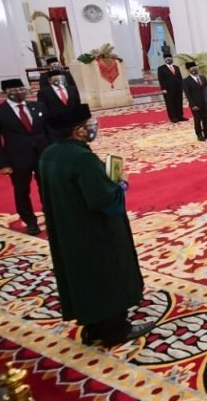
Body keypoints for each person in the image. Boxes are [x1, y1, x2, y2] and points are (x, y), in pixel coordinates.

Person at [38, 104, 155, 347]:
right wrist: (121, 184)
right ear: (78, 130)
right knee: (107, 274)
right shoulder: (83, 158)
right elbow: (103, 200)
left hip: (68, 228)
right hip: (95, 231)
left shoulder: (49, 153)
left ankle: (93, 329)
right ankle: (116, 330)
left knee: (84, 277)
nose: (93, 129)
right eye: (89, 125)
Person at [0, 78, 49, 235]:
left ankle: (50, 214)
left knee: (47, 187)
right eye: (13, 90)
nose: (18, 92)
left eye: (21, 89)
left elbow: (49, 130)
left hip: (42, 154)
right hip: (17, 158)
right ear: (4, 93)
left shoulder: (38, 106)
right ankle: (30, 221)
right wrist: (1, 164)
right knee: (22, 191)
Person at [182, 61, 207, 141]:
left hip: (205, 102)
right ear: (189, 70)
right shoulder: (186, 81)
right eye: (191, 68)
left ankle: (206, 133)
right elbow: (188, 94)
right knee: (198, 120)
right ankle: (199, 135)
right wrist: (193, 105)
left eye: (194, 67)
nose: (194, 69)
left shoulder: (203, 78)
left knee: (206, 119)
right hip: (195, 104)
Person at [157, 54, 187, 123]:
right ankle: (173, 117)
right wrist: (163, 88)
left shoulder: (176, 67)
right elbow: (161, 79)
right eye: (167, 58)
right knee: (170, 103)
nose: (168, 59)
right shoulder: (161, 68)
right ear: (164, 60)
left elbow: (180, 77)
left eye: (170, 58)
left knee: (179, 102)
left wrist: (182, 86)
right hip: (168, 89)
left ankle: (180, 116)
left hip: (178, 88)